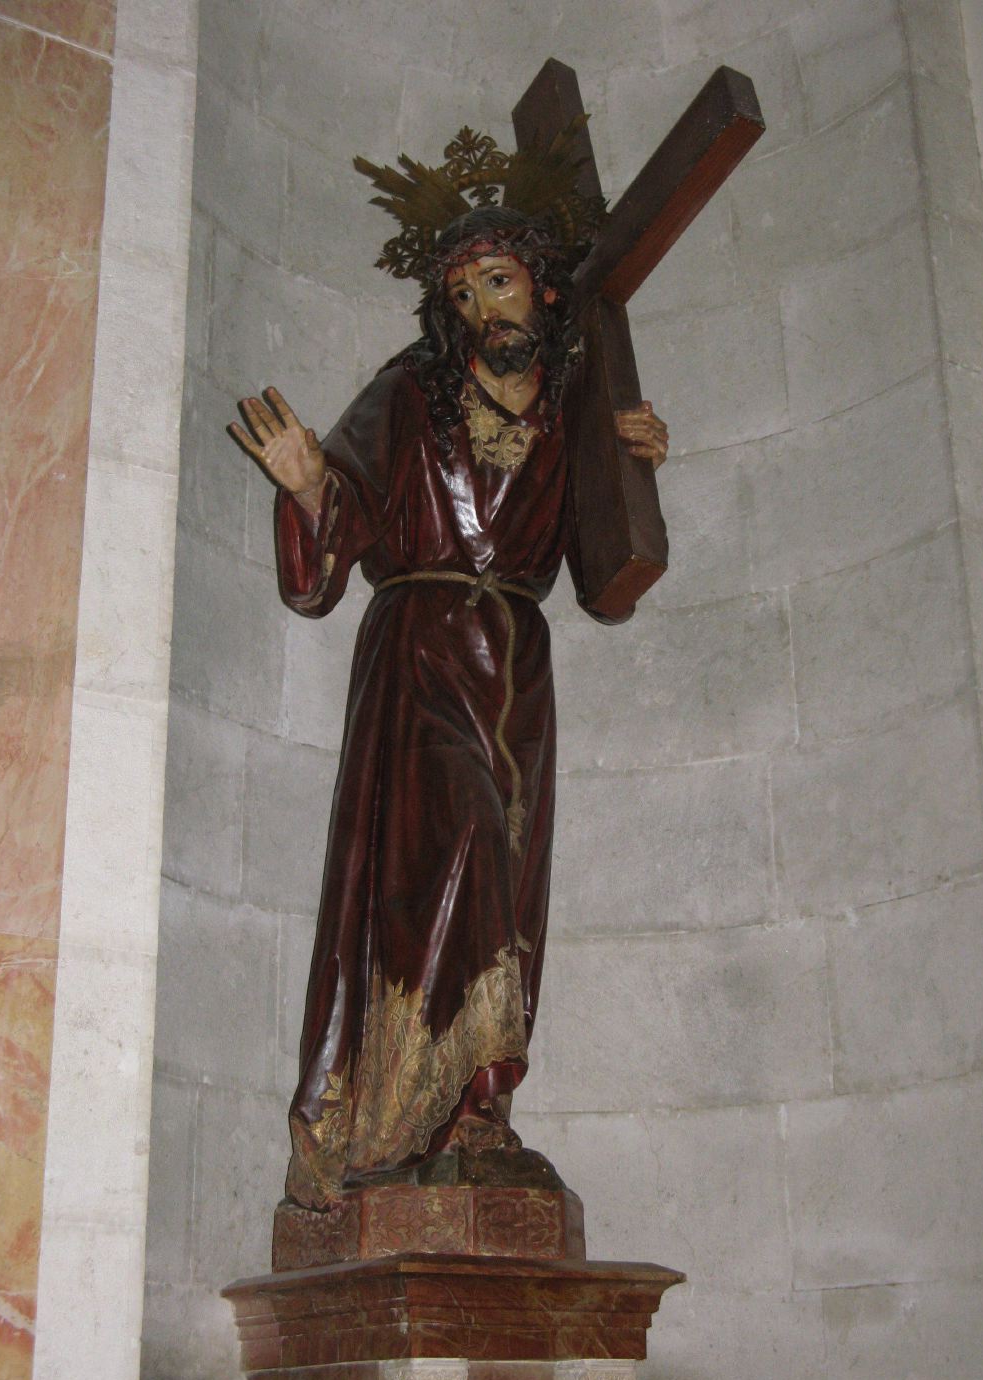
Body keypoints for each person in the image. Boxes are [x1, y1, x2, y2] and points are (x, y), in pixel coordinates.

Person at [229, 204, 667, 1209]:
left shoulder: (575, 413)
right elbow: (335, 526)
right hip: (420, 652)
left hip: (517, 671)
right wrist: (309, 488)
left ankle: (476, 1113)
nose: (482, 309)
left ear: (543, 289)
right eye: (462, 294)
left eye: (498, 283)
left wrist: (632, 466)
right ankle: (396, 1117)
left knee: (507, 886)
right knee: (450, 846)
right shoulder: (409, 393)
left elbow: (608, 582)